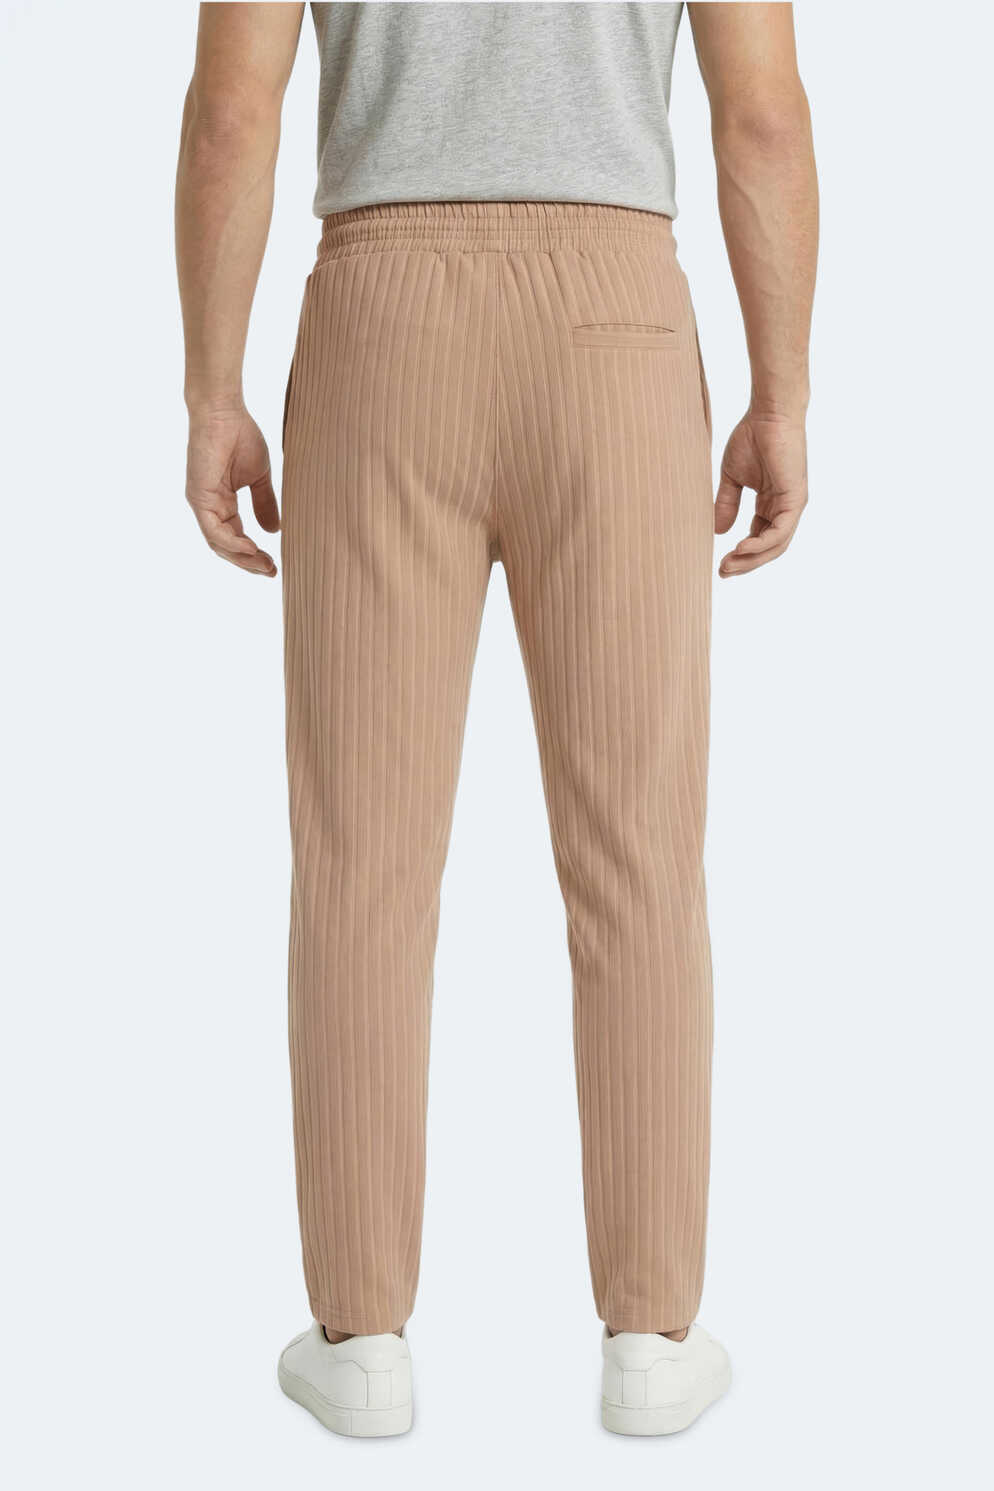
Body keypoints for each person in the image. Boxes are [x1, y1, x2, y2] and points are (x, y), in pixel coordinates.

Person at [176, 0, 816, 1439]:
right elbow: (762, 118)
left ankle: (360, 1340)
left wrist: (213, 391)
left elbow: (231, 115)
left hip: (382, 319)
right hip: (616, 323)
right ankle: (651, 1337)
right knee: (639, 857)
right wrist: (780, 393)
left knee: (362, 862)